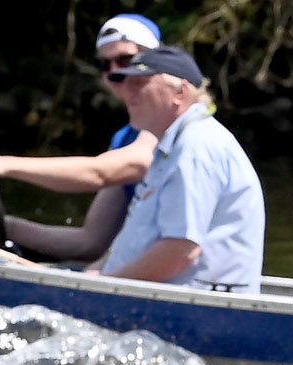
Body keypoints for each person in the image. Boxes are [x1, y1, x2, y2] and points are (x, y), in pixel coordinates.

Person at [0, 14, 162, 260]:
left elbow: (100, 172)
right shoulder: (124, 138)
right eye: (105, 65)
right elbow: (90, 242)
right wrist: (5, 226)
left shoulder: (165, 126)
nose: (114, 72)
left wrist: (2, 164)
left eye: (125, 60)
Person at [91, 45, 266, 291]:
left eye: (140, 83)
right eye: (126, 81)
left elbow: (180, 251)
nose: (127, 91)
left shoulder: (196, 147)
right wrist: (95, 273)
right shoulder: (173, 147)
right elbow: (140, 237)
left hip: (195, 309)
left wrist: (106, 285)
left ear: (180, 92)